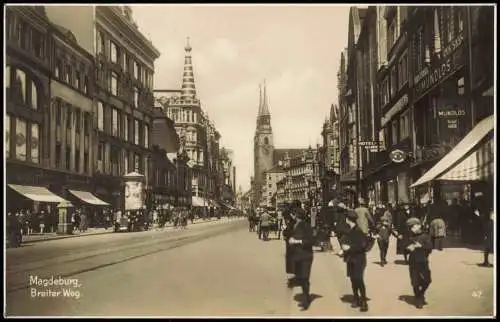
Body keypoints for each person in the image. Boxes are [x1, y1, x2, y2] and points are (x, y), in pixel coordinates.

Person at [341, 211, 369, 312]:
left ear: (348, 219)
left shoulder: (358, 231)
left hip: (359, 259)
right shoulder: (350, 230)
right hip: (351, 259)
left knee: (359, 279)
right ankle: (356, 298)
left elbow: (362, 246)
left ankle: (364, 301)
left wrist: (349, 248)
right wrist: (342, 250)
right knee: (353, 280)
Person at [288, 203, 315, 310]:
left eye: (294, 215)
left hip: (306, 256)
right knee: (302, 278)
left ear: (297, 216)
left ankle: (306, 300)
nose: (292, 216)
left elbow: (311, 241)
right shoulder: (296, 225)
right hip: (298, 256)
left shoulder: (306, 226)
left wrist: (296, 241)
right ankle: (306, 297)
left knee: (304, 278)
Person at [404, 217, 433, 309]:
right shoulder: (409, 237)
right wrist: (408, 249)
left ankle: (421, 293)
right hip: (413, 262)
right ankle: (419, 299)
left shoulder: (425, 236)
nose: (412, 229)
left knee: (427, 280)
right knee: (415, 281)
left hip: (423, 261)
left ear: (419, 226)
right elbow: (404, 250)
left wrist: (421, 246)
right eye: (410, 227)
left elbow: (429, 249)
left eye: (413, 227)